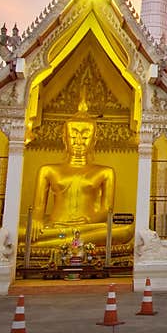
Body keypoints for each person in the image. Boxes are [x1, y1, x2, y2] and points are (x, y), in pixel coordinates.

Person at [19, 90, 133, 248]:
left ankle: (55, 244)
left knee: (125, 230)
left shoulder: (105, 172)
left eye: (85, 137)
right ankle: (59, 241)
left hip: (87, 228)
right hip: (54, 227)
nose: (79, 142)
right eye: (73, 136)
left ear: (94, 140)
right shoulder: (48, 171)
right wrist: (37, 221)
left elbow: (107, 210)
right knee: (20, 232)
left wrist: (90, 219)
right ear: (64, 139)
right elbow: (38, 209)